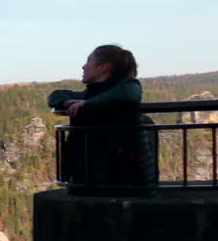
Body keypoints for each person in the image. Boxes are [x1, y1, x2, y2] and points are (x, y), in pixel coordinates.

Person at [48, 45, 155, 191]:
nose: (83, 66)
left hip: (121, 178)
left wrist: (87, 104)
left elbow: (130, 93)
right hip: (87, 179)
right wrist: (66, 103)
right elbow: (55, 96)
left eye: (88, 61)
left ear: (104, 67)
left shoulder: (126, 87)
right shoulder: (88, 95)